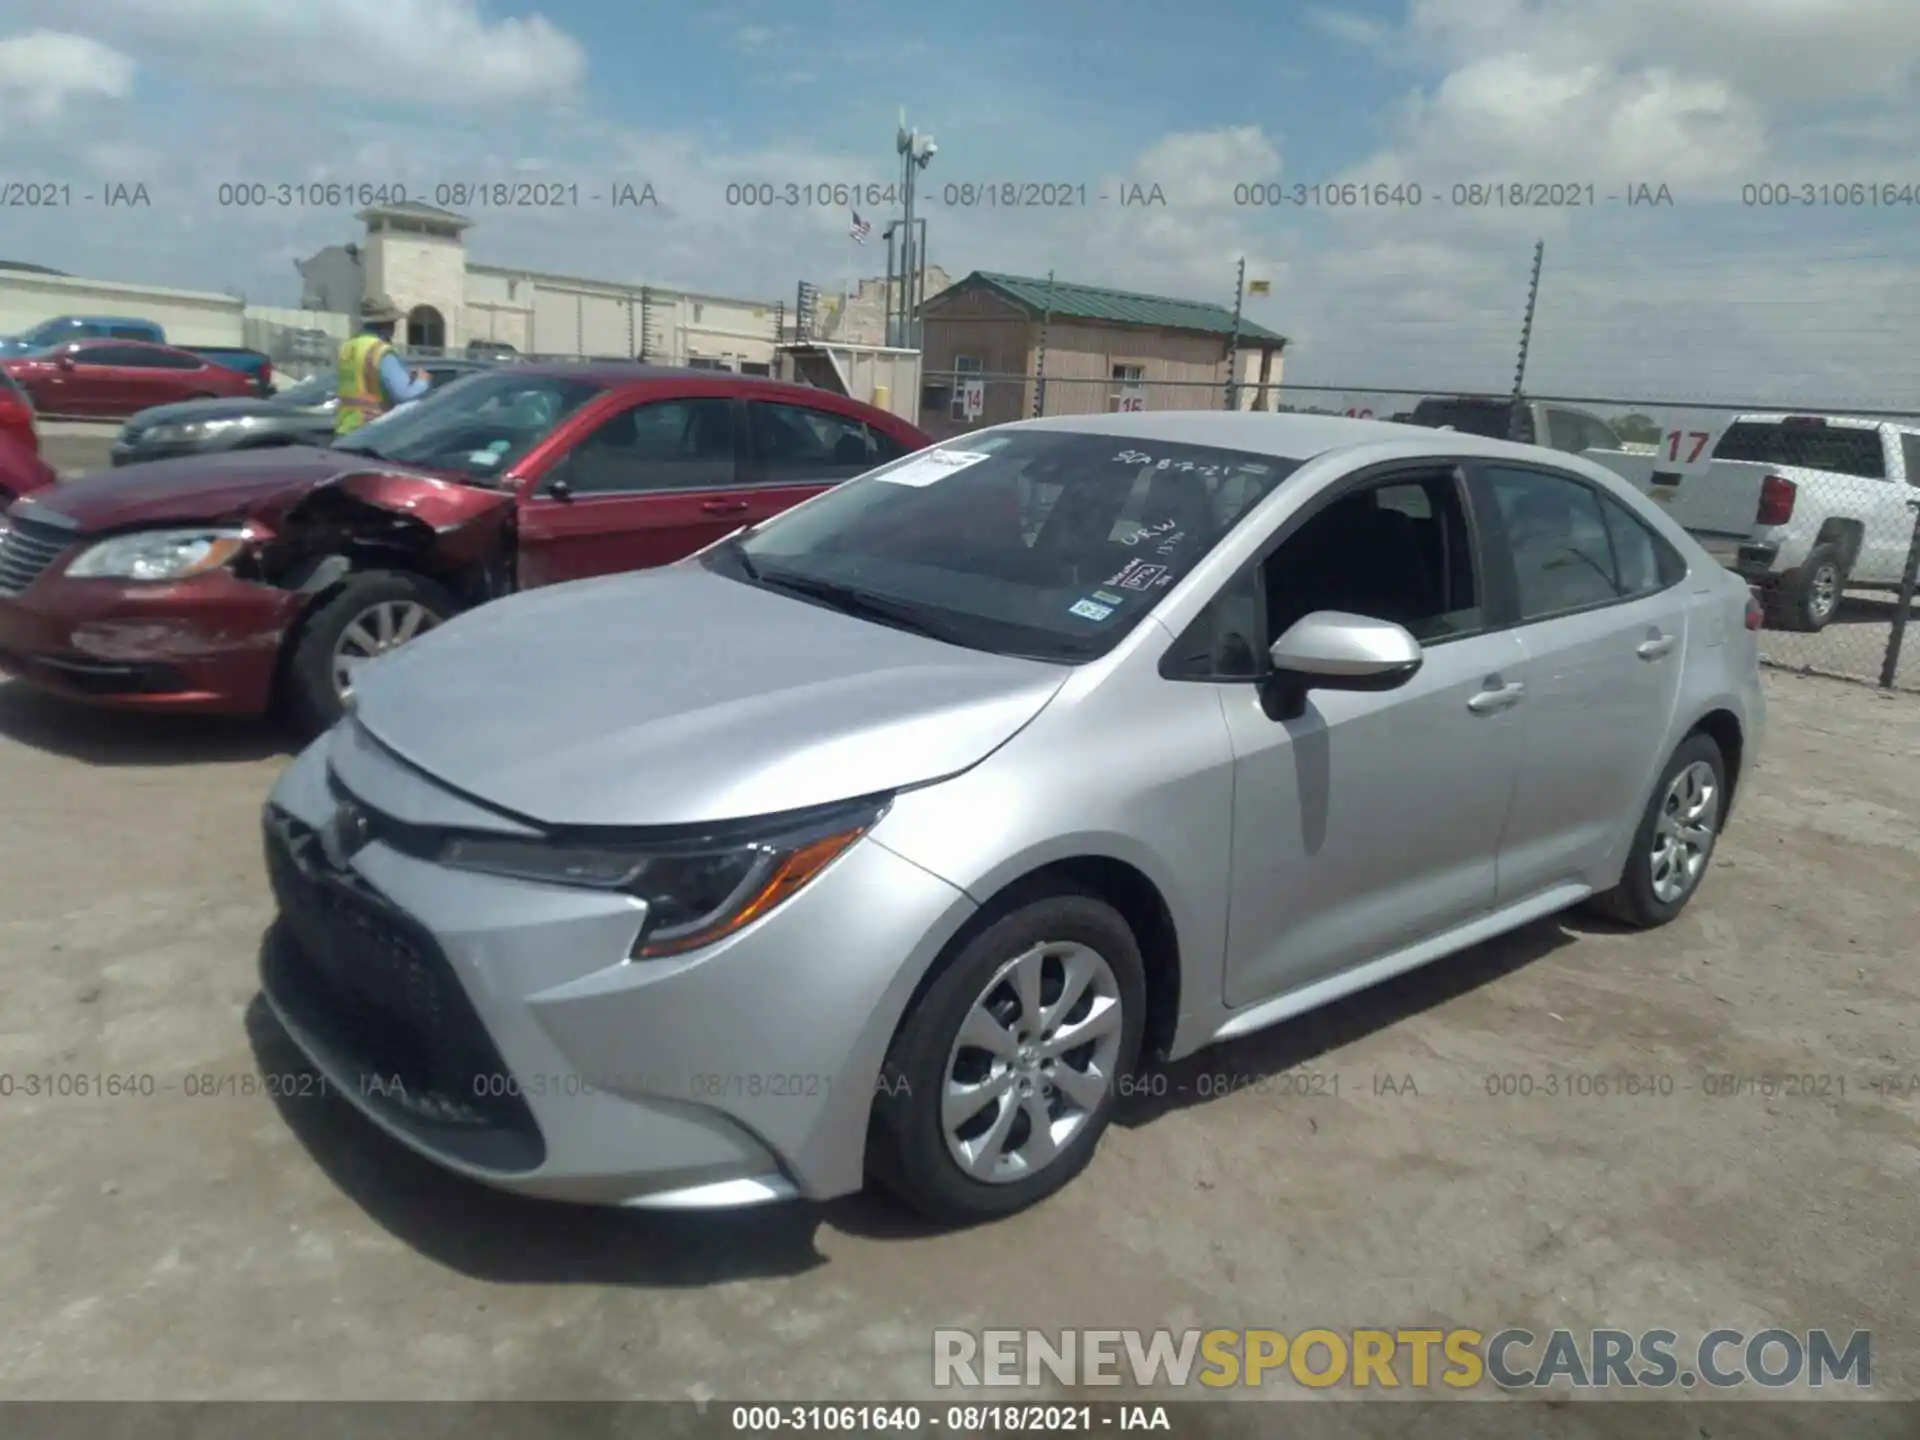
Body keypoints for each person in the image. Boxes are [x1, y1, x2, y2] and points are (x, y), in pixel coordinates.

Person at [334, 296, 430, 437]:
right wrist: (422, 380)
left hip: (345, 429)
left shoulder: (347, 347)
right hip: (372, 431)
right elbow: (404, 395)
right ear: (387, 324)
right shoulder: (381, 351)